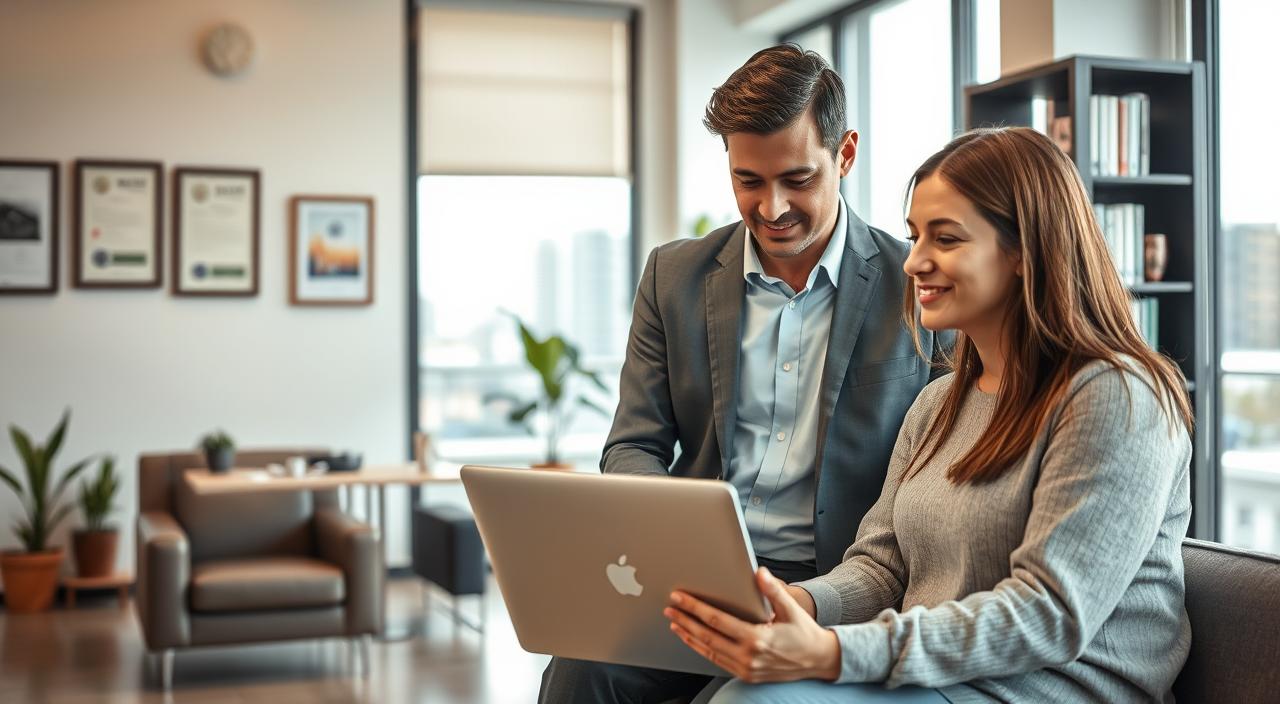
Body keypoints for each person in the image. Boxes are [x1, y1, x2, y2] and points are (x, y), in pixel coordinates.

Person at [664, 126, 1195, 703]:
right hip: (939, 678)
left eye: (945, 239)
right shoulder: (941, 402)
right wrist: (804, 604)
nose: (914, 261)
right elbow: (882, 565)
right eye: (916, 236)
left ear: (1025, 251)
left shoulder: (1116, 397)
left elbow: (1049, 613)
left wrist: (837, 652)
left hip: (1046, 691)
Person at [538, 45, 950, 704]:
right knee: (579, 673)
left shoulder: (921, 286)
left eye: (797, 178)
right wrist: (686, 546)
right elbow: (633, 445)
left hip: (840, 586)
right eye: (748, 181)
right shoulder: (673, 276)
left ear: (844, 155)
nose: (773, 207)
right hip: (697, 578)